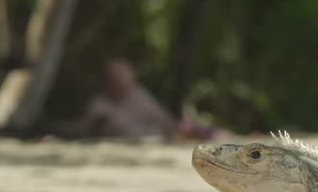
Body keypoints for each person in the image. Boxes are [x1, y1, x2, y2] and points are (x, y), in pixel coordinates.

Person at [78, 58, 217, 141]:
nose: (125, 89)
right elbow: (103, 131)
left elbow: (163, 120)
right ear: (107, 83)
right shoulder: (99, 105)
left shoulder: (137, 95)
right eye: (118, 84)